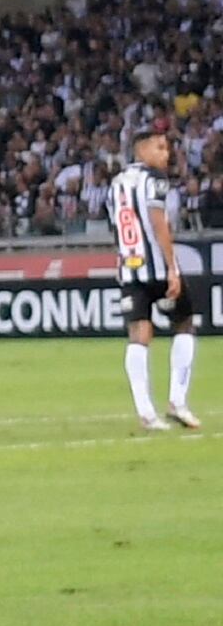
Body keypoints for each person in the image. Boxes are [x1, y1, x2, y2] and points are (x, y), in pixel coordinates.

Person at [108, 126, 199, 430]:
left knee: (139, 335)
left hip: (129, 267)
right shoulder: (154, 180)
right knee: (184, 322)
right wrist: (173, 267)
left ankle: (146, 412)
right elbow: (158, 221)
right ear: (142, 151)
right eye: (160, 148)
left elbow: (116, 226)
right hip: (157, 268)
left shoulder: (116, 183)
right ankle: (177, 401)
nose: (167, 153)